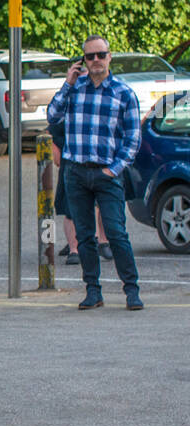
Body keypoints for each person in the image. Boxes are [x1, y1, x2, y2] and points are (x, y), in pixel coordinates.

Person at [47, 35, 143, 310]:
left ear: (110, 57)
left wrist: (113, 170)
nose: (96, 60)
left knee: (116, 232)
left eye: (101, 54)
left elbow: (132, 139)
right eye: (90, 56)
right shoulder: (75, 89)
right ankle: (93, 290)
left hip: (107, 174)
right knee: (85, 235)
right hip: (76, 172)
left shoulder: (124, 93)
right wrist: (68, 83)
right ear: (83, 61)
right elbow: (52, 116)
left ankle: (132, 290)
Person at [51, 117, 111, 264]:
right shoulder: (71, 108)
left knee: (89, 206)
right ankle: (79, 248)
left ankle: (83, 247)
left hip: (88, 164)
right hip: (77, 164)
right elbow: (53, 134)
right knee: (74, 208)